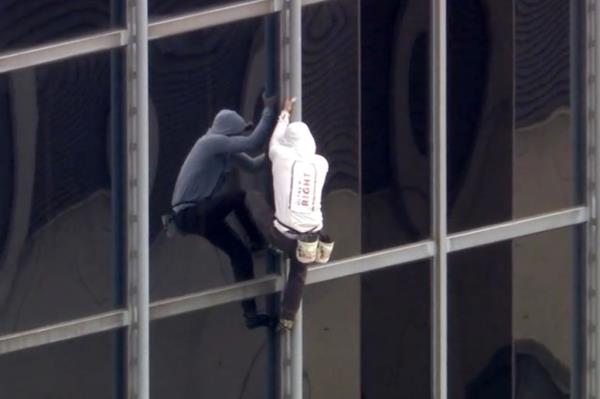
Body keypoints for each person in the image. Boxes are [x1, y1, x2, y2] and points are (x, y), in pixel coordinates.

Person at [165, 94, 277, 329]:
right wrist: (269, 111)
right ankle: (257, 241)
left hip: (199, 215)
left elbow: (255, 164)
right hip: (189, 213)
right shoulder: (210, 143)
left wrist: (278, 151)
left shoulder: (223, 150)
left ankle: (251, 316)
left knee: (240, 256)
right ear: (228, 133)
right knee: (238, 197)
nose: (239, 139)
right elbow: (253, 143)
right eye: (237, 134)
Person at [266, 97, 334, 331]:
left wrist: (284, 114)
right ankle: (286, 319)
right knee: (298, 275)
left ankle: (263, 245)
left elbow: (274, 142)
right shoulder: (322, 163)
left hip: (283, 237)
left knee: (252, 203)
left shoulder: (282, 157)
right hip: (311, 239)